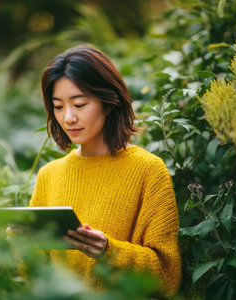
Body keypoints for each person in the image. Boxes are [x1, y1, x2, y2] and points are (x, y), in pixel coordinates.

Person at [29, 45, 181, 296]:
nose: (68, 118)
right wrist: (19, 248)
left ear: (108, 103)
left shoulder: (148, 170)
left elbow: (168, 276)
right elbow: (35, 276)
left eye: (79, 104)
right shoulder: (49, 175)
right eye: (58, 107)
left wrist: (110, 251)